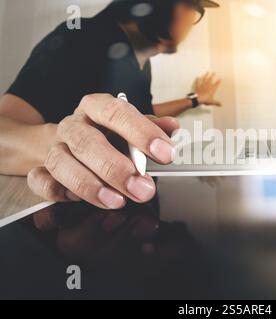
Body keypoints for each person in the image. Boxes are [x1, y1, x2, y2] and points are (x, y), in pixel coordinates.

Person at [0, 0, 221, 209]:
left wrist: (194, 100)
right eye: (194, 8)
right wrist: (73, 143)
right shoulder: (78, 38)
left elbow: (142, 115)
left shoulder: (143, 64)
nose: (193, 18)